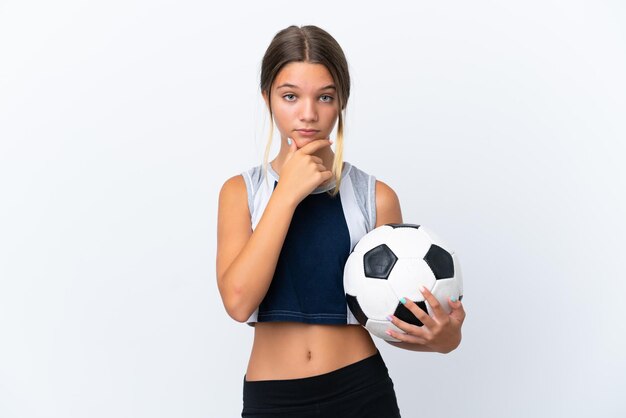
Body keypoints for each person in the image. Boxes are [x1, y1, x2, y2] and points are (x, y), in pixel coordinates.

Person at [216, 24, 466, 417]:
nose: (308, 113)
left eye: (325, 97)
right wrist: (286, 194)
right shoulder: (241, 192)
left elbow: (389, 319)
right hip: (273, 400)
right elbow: (237, 301)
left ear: (341, 101)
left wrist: (443, 339)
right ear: (268, 99)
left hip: (360, 391)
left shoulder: (375, 197)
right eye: (290, 96)